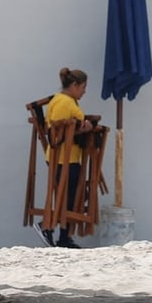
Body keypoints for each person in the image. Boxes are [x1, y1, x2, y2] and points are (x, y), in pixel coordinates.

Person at [34, 67, 95, 249]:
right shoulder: (65, 102)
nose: (84, 91)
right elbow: (58, 131)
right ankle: (47, 226)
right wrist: (83, 127)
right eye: (83, 87)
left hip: (66, 157)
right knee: (66, 196)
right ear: (74, 85)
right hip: (63, 157)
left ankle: (64, 237)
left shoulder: (62, 100)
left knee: (71, 197)